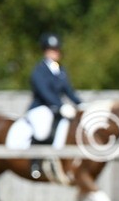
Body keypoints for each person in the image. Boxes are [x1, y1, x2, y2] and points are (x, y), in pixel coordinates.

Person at [26, 32, 82, 179]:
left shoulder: (60, 70)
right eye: (52, 50)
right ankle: (35, 162)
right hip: (41, 107)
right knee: (42, 129)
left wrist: (81, 104)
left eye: (57, 49)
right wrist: (61, 105)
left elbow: (69, 91)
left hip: (57, 109)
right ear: (45, 51)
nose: (55, 53)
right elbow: (44, 92)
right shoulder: (39, 71)